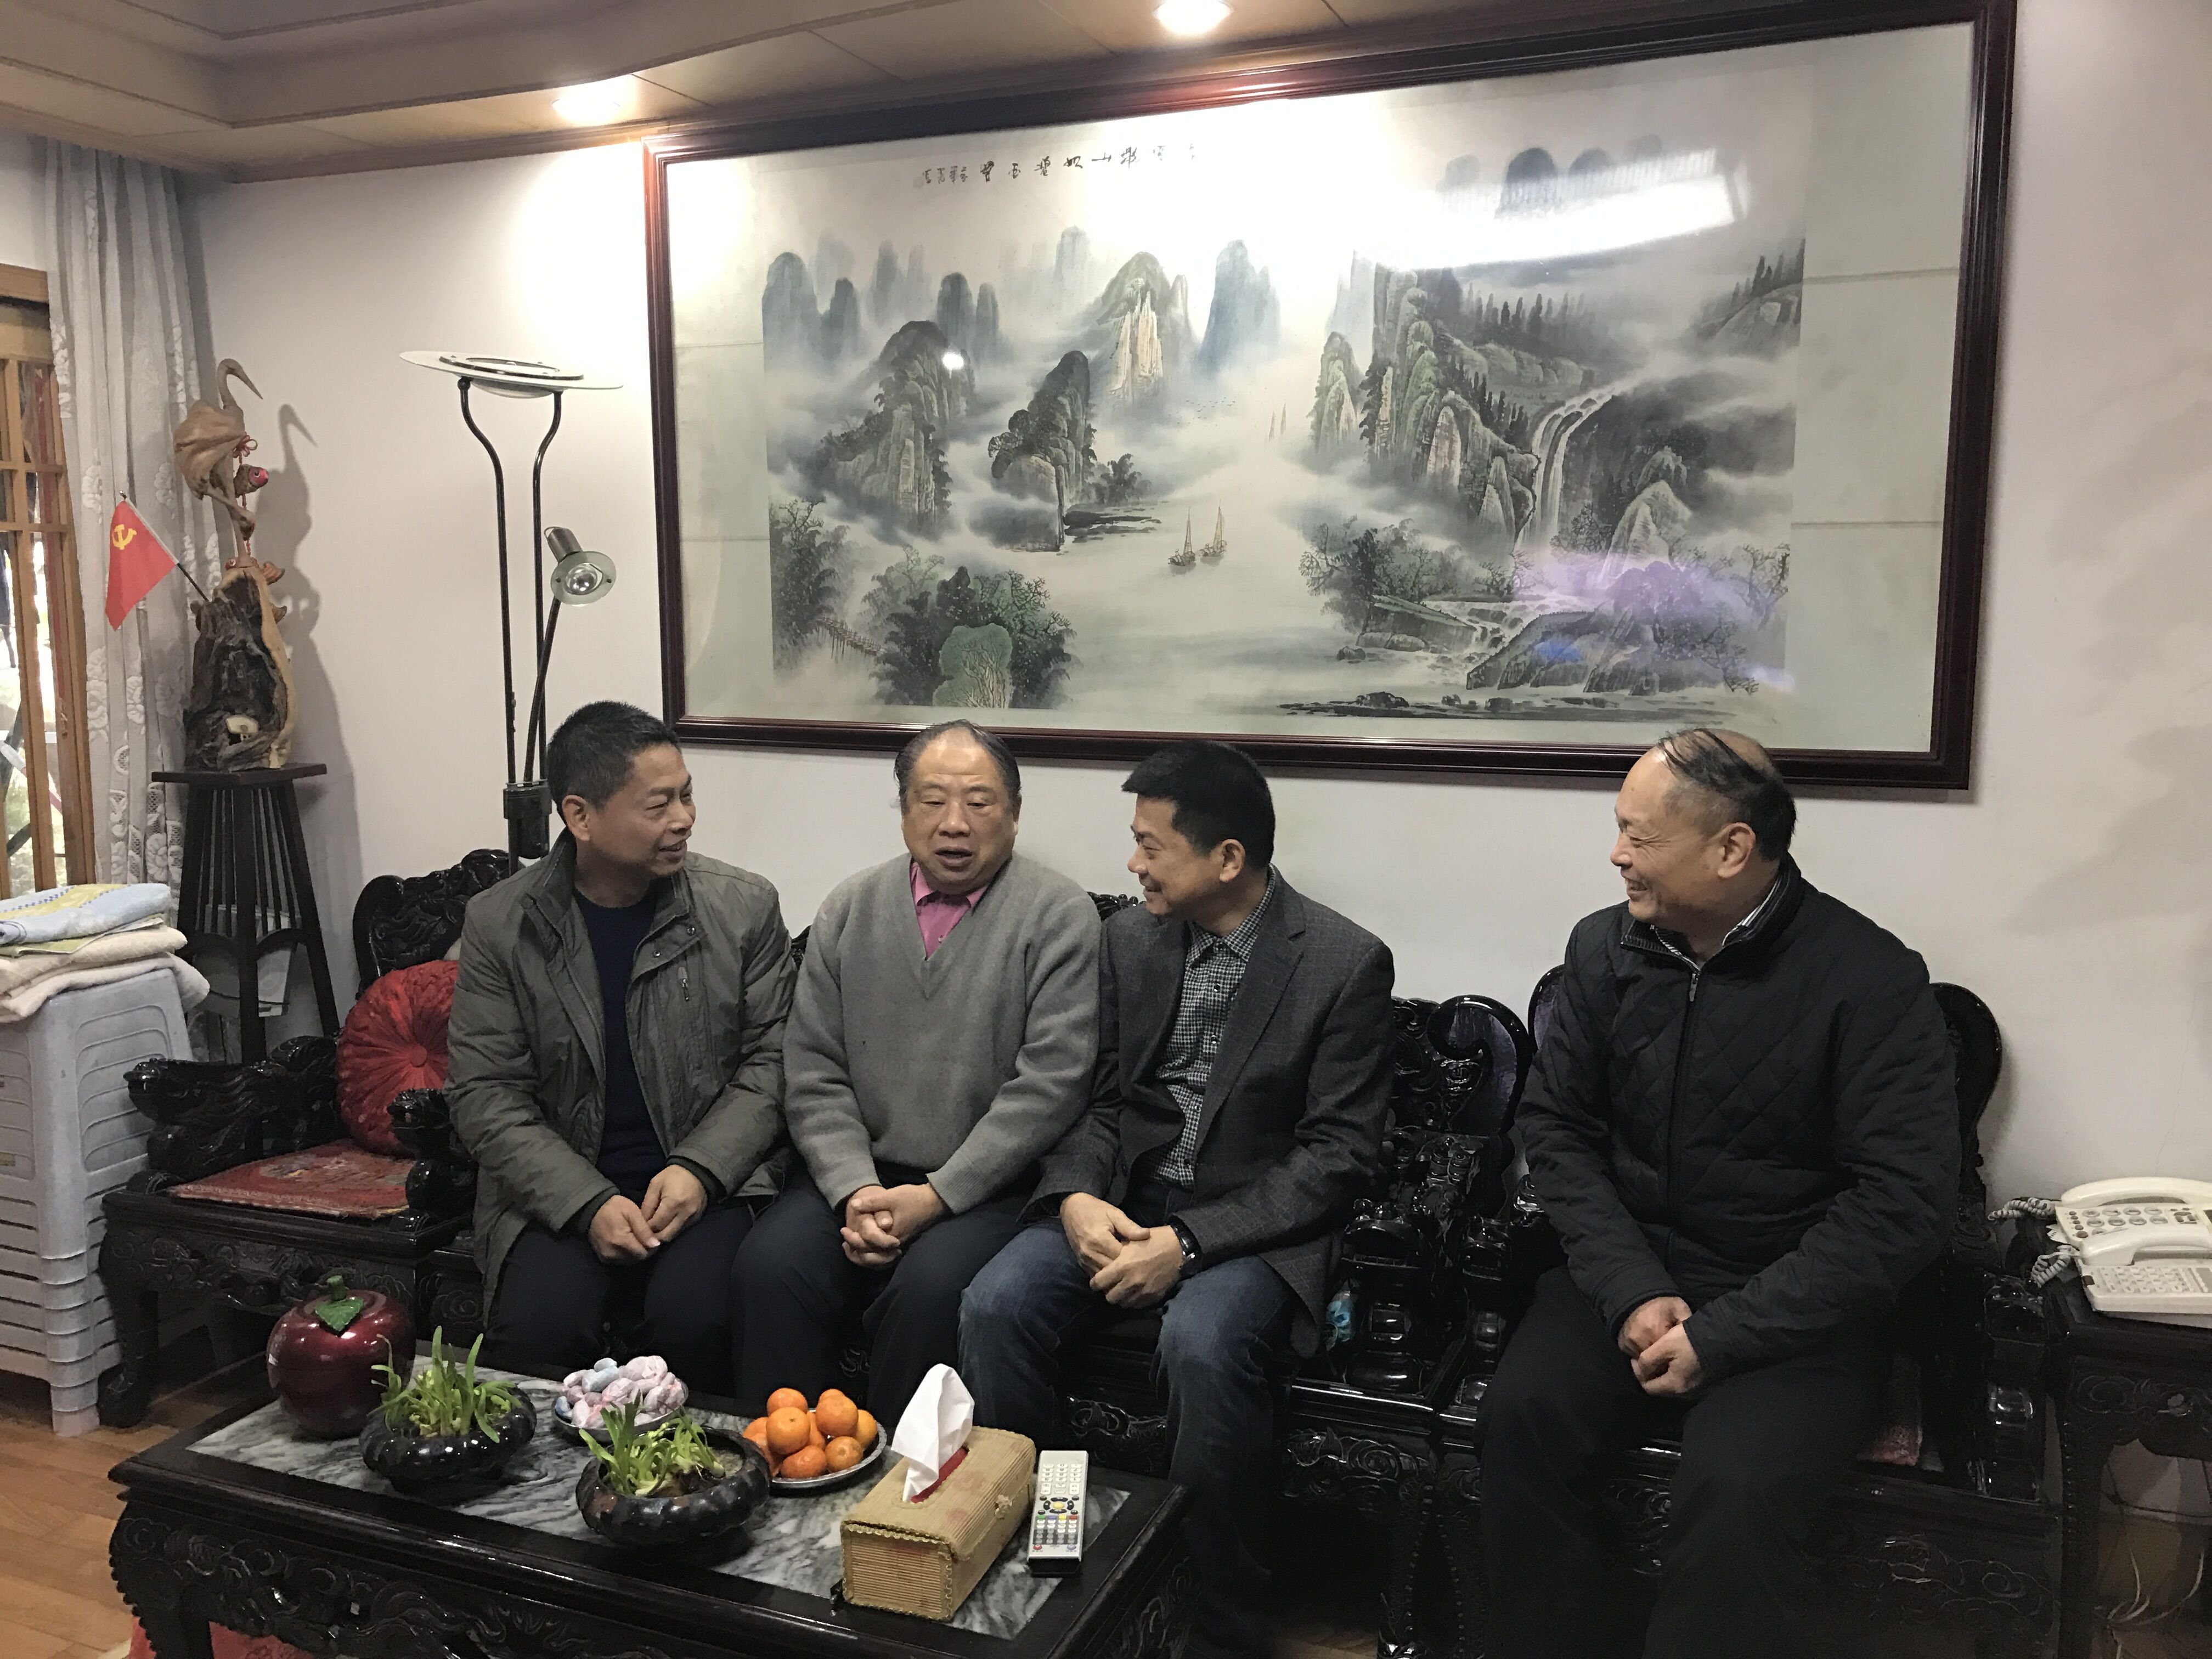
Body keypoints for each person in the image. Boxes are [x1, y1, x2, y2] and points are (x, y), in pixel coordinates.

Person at [1481, 728, 1960, 1659]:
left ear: (1731, 848)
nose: (1616, 854)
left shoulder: (1868, 979)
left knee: (1738, 1492)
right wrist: (1630, 1288)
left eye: (1638, 835)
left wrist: (1722, 1335)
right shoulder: (1602, 948)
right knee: (1520, 1420)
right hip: (1626, 1271)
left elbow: (1903, 1204)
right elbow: (1559, 1130)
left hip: (1793, 1306)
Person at [961, 740, 1395, 1659]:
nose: (1133, 864)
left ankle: (1217, 1621)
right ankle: (1059, 1557)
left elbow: (1335, 1157)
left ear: (1227, 858)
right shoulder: (1129, 940)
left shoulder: (1342, 962)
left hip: (1254, 1227)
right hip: (1125, 1196)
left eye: (1151, 845)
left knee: (1201, 1341)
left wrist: (1189, 1243)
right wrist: (1075, 1196)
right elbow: (1099, 1101)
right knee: (996, 1303)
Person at [732, 720, 1100, 1425]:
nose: (954, 823)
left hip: (987, 1189)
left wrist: (936, 1196)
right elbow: (812, 1067)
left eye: (979, 802)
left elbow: (1051, 1084)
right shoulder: (851, 907)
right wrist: (854, 1189)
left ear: (1015, 814)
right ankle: (786, 1470)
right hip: (857, 1174)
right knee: (770, 1267)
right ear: (904, 812)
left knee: (929, 1292)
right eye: (932, 801)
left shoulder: (1058, 915)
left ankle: (904, 1486)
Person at [447, 701, 794, 1393]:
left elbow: (775, 1062)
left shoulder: (742, 907)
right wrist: (586, 1201)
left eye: (687, 795)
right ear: (580, 816)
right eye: (659, 805)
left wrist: (700, 1169)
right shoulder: (502, 924)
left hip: (707, 1188)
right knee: (537, 1333)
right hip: (557, 1192)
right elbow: (485, 1096)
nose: (684, 819)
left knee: (694, 1321)